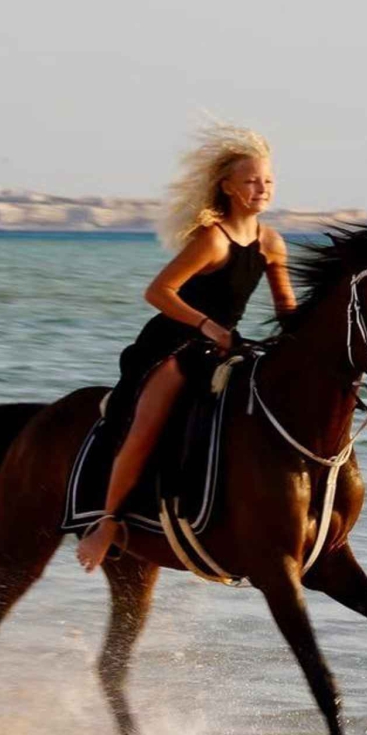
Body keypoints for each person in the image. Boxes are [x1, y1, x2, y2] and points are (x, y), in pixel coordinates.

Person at [76, 124, 297, 573]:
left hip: (225, 347)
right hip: (174, 343)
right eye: (252, 181)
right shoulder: (212, 239)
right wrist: (207, 325)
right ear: (228, 187)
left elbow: (286, 309)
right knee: (146, 428)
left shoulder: (272, 243)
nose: (262, 189)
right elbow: (158, 292)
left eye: (268, 181)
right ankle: (108, 522)